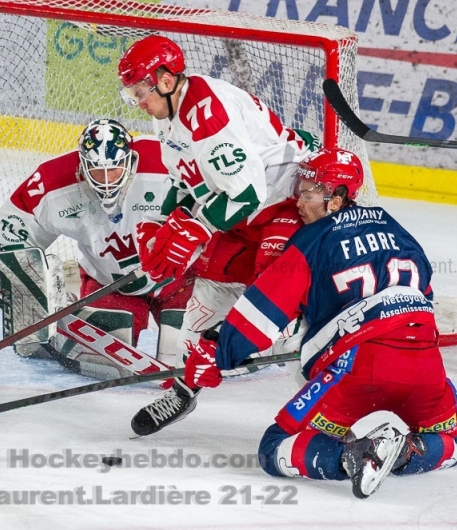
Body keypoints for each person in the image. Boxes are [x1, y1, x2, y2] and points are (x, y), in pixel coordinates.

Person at [182, 147, 457, 499]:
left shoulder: (311, 239)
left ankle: (352, 457)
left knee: (273, 448)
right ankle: (406, 453)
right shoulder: (400, 231)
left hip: (356, 368)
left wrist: (218, 352)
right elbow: (423, 301)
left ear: (336, 199)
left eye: (308, 194)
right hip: (426, 368)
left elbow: (263, 311)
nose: (299, 202)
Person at [117, 35, 318, 435]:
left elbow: (248, 192)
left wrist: (196, 228)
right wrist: (162, 223)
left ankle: (321, 403)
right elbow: (184, 180)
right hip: (238, 210)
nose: (139, 101)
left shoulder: (207, 115)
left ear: (166, 80)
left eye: (141, 90)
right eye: (133, 93)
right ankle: (184, 390)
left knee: (276, 302)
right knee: (203, 306)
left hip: (285, 204)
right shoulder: (167, 112)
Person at [0, 118, 193, 378]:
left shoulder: (166, 159)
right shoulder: (53, 181)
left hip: (178, 278)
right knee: (107, 359)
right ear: (83, 165)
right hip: (109, 282)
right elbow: (10, 226)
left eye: (114, 169)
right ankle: (65, 325)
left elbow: (219, 195)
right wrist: (26, 287)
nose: (107, 180)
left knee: (193, 350)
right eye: (97, 170)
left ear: (129, 160)